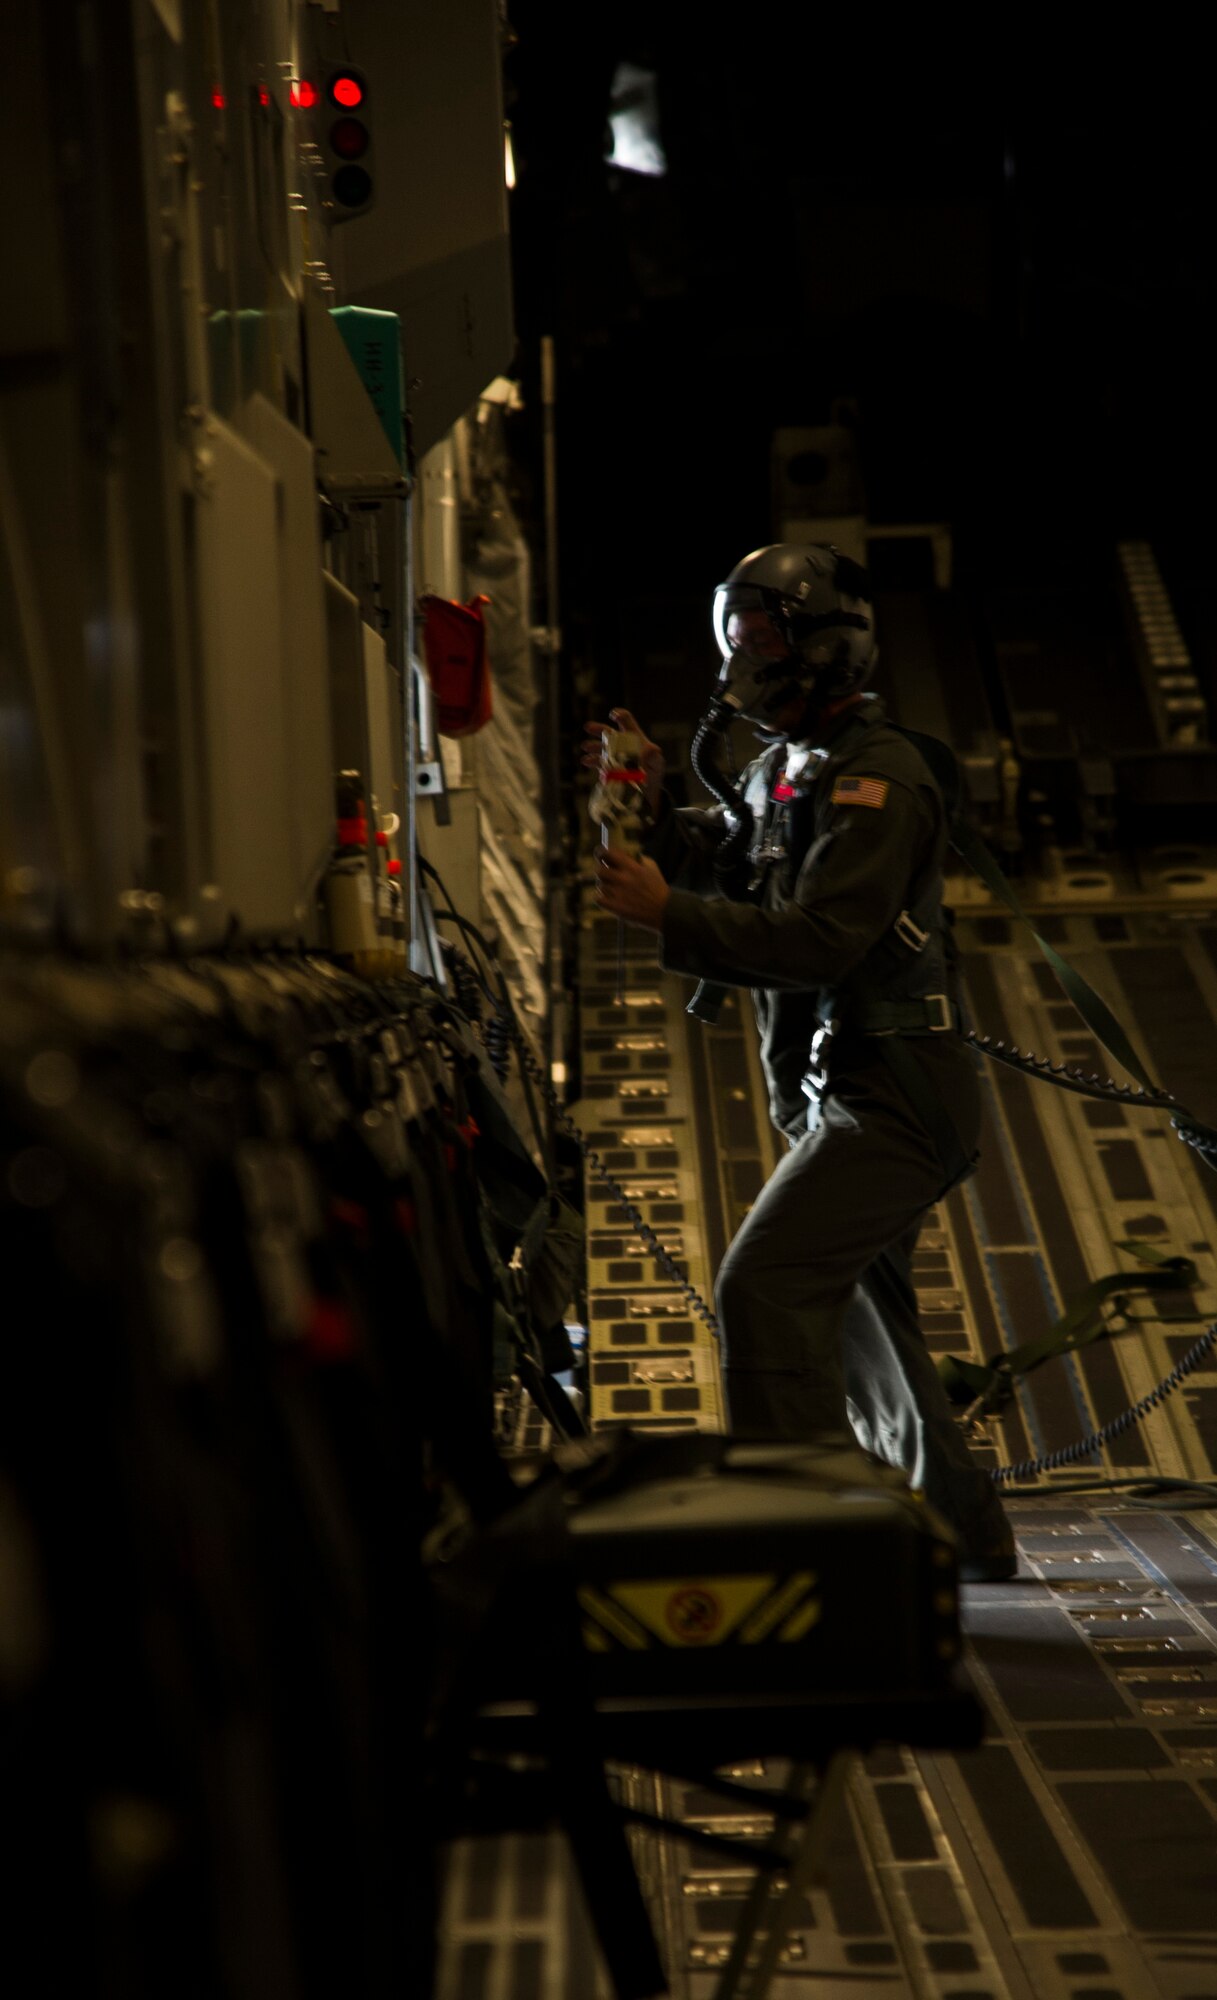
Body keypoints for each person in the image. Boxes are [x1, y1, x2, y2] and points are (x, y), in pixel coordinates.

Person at [585, 542, 1016, 1581]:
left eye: (761, 638)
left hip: (891, 1098)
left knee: (764, 1287)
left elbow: (822, 938)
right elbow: (735, 852)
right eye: (737, 636)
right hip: (842, 1090)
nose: (741, 658)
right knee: (868, 1320)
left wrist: (666, 912)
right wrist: (642, 802)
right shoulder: (789, 768)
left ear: (817, 649)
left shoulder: (878, 778)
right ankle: (960, 1530)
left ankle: (812, 1552)